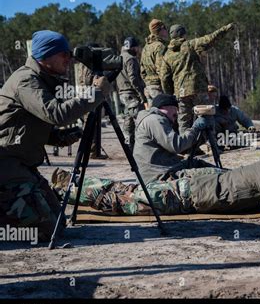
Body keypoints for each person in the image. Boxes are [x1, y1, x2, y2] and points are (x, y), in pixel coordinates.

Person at [0, 30, 110, 241]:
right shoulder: (26, 81)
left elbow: (25, 125)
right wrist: (95, 93)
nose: (68, 59)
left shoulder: (42, 79)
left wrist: (58, 137)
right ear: (46, 55)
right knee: (46, 230)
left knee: (59, 221)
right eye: (63, 54)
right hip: (6, 163)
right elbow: (56, 113)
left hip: (21, 164)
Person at [52, 142, 260, 221]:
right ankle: (69, 188)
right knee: (121, 199)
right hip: (181, 196)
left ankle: (71, 183)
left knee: (125, 191)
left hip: (191, 189)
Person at [161, 23, 236, 134]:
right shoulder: (190, 45)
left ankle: (187, 147)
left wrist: (170, 94)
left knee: (184, 121)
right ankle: (212, 145)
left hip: (180, 93)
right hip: (198, 89)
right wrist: (225, 29)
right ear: (183, 34)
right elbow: (210, 38)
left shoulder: (167, 54)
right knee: (206, 117)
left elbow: (164, 78)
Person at [133, 93, 217, 183]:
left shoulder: (153, 119)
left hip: (161, 169)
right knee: (214, 174)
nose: (176, 113)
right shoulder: (155, 120)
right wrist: (195, 128)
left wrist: (202, 133)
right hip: (159, 175)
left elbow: (183, 148)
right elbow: (177, 145)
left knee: (197, 163)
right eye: (175, 109)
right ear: (166, 106)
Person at [116, 37, 147, 151]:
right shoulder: (131, 59)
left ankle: (129, 147)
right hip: (131, 94)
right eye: (137, 47)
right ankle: (142, 149)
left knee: (128, 121)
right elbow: (133, 78)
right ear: (133, 47)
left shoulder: (119, 58)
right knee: (140, 121)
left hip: (122, 93)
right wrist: (141, 94)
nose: (138, 50)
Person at [140, 19, 169, 108]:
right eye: (165, 28)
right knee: (163, 115)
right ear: (160, 30)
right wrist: (167, 90)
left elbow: (142, 70)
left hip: (149, 87)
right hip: (158, 88)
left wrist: (148, 82)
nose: (166, 31)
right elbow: (162, 70)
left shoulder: (146, 47)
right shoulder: (160, 46)